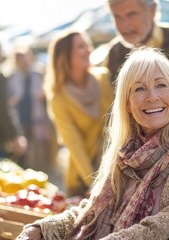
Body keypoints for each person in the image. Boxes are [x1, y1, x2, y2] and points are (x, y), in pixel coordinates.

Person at [17, 47, 169, 240]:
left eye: (161, 85)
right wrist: (40, 229)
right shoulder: (127, 152)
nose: (152, 97)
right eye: (139, 89)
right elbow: (92, 212)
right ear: (126, 103)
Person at [44, 30, 114, 197]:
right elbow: (74, 145)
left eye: (88, 45)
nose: (89, 50)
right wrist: (95, 184)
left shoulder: (103, 78)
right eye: (81, 46)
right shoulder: (59, 98)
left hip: (113, 169)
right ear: (65, 56)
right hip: (82, 180)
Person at [96, 0, 169, 91]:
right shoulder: (115, 53)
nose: (124, 24)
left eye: (131, 14)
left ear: (152, 11)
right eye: (117, 16)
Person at [7, 46, 55, 171]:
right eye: (19, 57)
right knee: (22, 147)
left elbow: (45, 93)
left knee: (38, 145)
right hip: (19, 116)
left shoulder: (37, 74)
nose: (22, 60)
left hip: (36, 115)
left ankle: (39, 170)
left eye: (24, 57)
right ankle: (23, 169)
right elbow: (9, 98)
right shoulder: (11, 76)